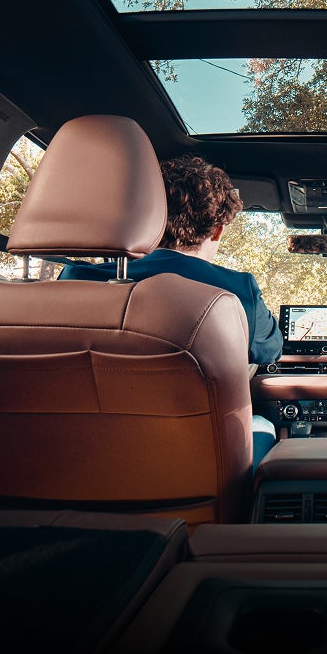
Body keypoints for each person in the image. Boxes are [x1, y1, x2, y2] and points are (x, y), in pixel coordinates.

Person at [60, 152, 281, 467]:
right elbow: (270, 350)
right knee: (264, 424)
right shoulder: (235, 290)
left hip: (79, 463)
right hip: (191, 468)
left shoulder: (74, 278)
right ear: (217, 230)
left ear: (145, 215)